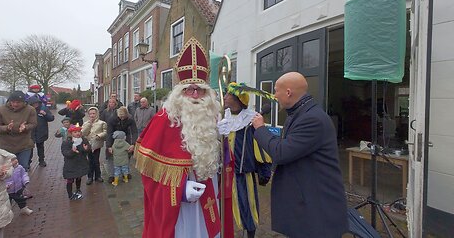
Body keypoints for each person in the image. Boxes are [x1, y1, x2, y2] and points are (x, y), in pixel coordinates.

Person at [135, 37, 221, 238]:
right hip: (181, 207)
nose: (194, 94)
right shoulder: (164, 118)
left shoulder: (213, 117)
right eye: (189, 89)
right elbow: (148, 170)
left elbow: (223, 163)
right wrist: (181, 189)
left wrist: (224, 142)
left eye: (199, 89)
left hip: (209, 195)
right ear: (179, 92)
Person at [251, 72, 348, 238]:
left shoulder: (312, 119)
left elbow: (281, 152)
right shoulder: (300, 114)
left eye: (276, 91)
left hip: (317, 208)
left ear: (288, 92)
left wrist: (260, 129)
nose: (274, 96)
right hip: (306, 202)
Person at [217, 82, 272, 238]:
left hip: (243, 173)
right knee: (223, 206)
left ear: (238, 99)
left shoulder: (250, 120)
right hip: (224, 172)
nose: (225, 97)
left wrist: (264, 172)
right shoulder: (223, 117)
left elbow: (261, 147)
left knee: (247, 205)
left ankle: (250, 234)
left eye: (228, 94)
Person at [0, 90, 38, 171]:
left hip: (24, 144)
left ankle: (21, 183)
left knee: (23, 168)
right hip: (4, 145)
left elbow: (33, 123)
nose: (15, 104)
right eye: (13, 102)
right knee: (6, 170)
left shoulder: (30, 110)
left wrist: (25, 127)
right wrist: (6, 128)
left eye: (18, 102)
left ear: (24, 102)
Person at [105, 106, 137, 183]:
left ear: (127, 114)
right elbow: (109, 133)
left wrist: (132, 144)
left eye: (124, 117)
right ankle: (111, 175)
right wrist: (109, 146)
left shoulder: (130, 120)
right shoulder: (112, 120)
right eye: (120, 117)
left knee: (127, 156)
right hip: (113, 139)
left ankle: (125, 172)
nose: (122, 118)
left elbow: (134, 132)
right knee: (110, 157)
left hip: (126, 138)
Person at [61, 124, 90, 200]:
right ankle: (70, 194)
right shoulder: (67, 143)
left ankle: (78, 189)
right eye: (75, 132)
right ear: (71, 133)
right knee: (70, 179)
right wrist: (72, 151)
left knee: (79, 176)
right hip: (71, 164)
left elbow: (88, 150)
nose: (78, 133)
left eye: (79, 131)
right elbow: (65, 153)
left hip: (80, 162)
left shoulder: (83, 140)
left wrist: (86, 149)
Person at [81, 107, 107, 185]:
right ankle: (90, 177)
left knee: (96, 160)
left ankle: (98, 176)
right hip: (88, 144)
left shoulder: (102, 123)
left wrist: (99, 135)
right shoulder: (86, 123)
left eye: (94, 113)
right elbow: (83, 133)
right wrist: (89, 125)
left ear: (97, 114)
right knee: (90, 161)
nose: (92, 115)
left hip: (97, 144)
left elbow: (105, 132)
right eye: (90, 114)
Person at [28, 96, 54, 168]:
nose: (35, 105)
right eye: (33, 104)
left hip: (41, 132)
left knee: (40, 147)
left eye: (37, 103)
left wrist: (45, 114)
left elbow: (51, 118)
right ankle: (28, 162)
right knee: (30, 148)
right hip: (30, 133)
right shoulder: (27, 110)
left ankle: (41, 161)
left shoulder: (44, 108)